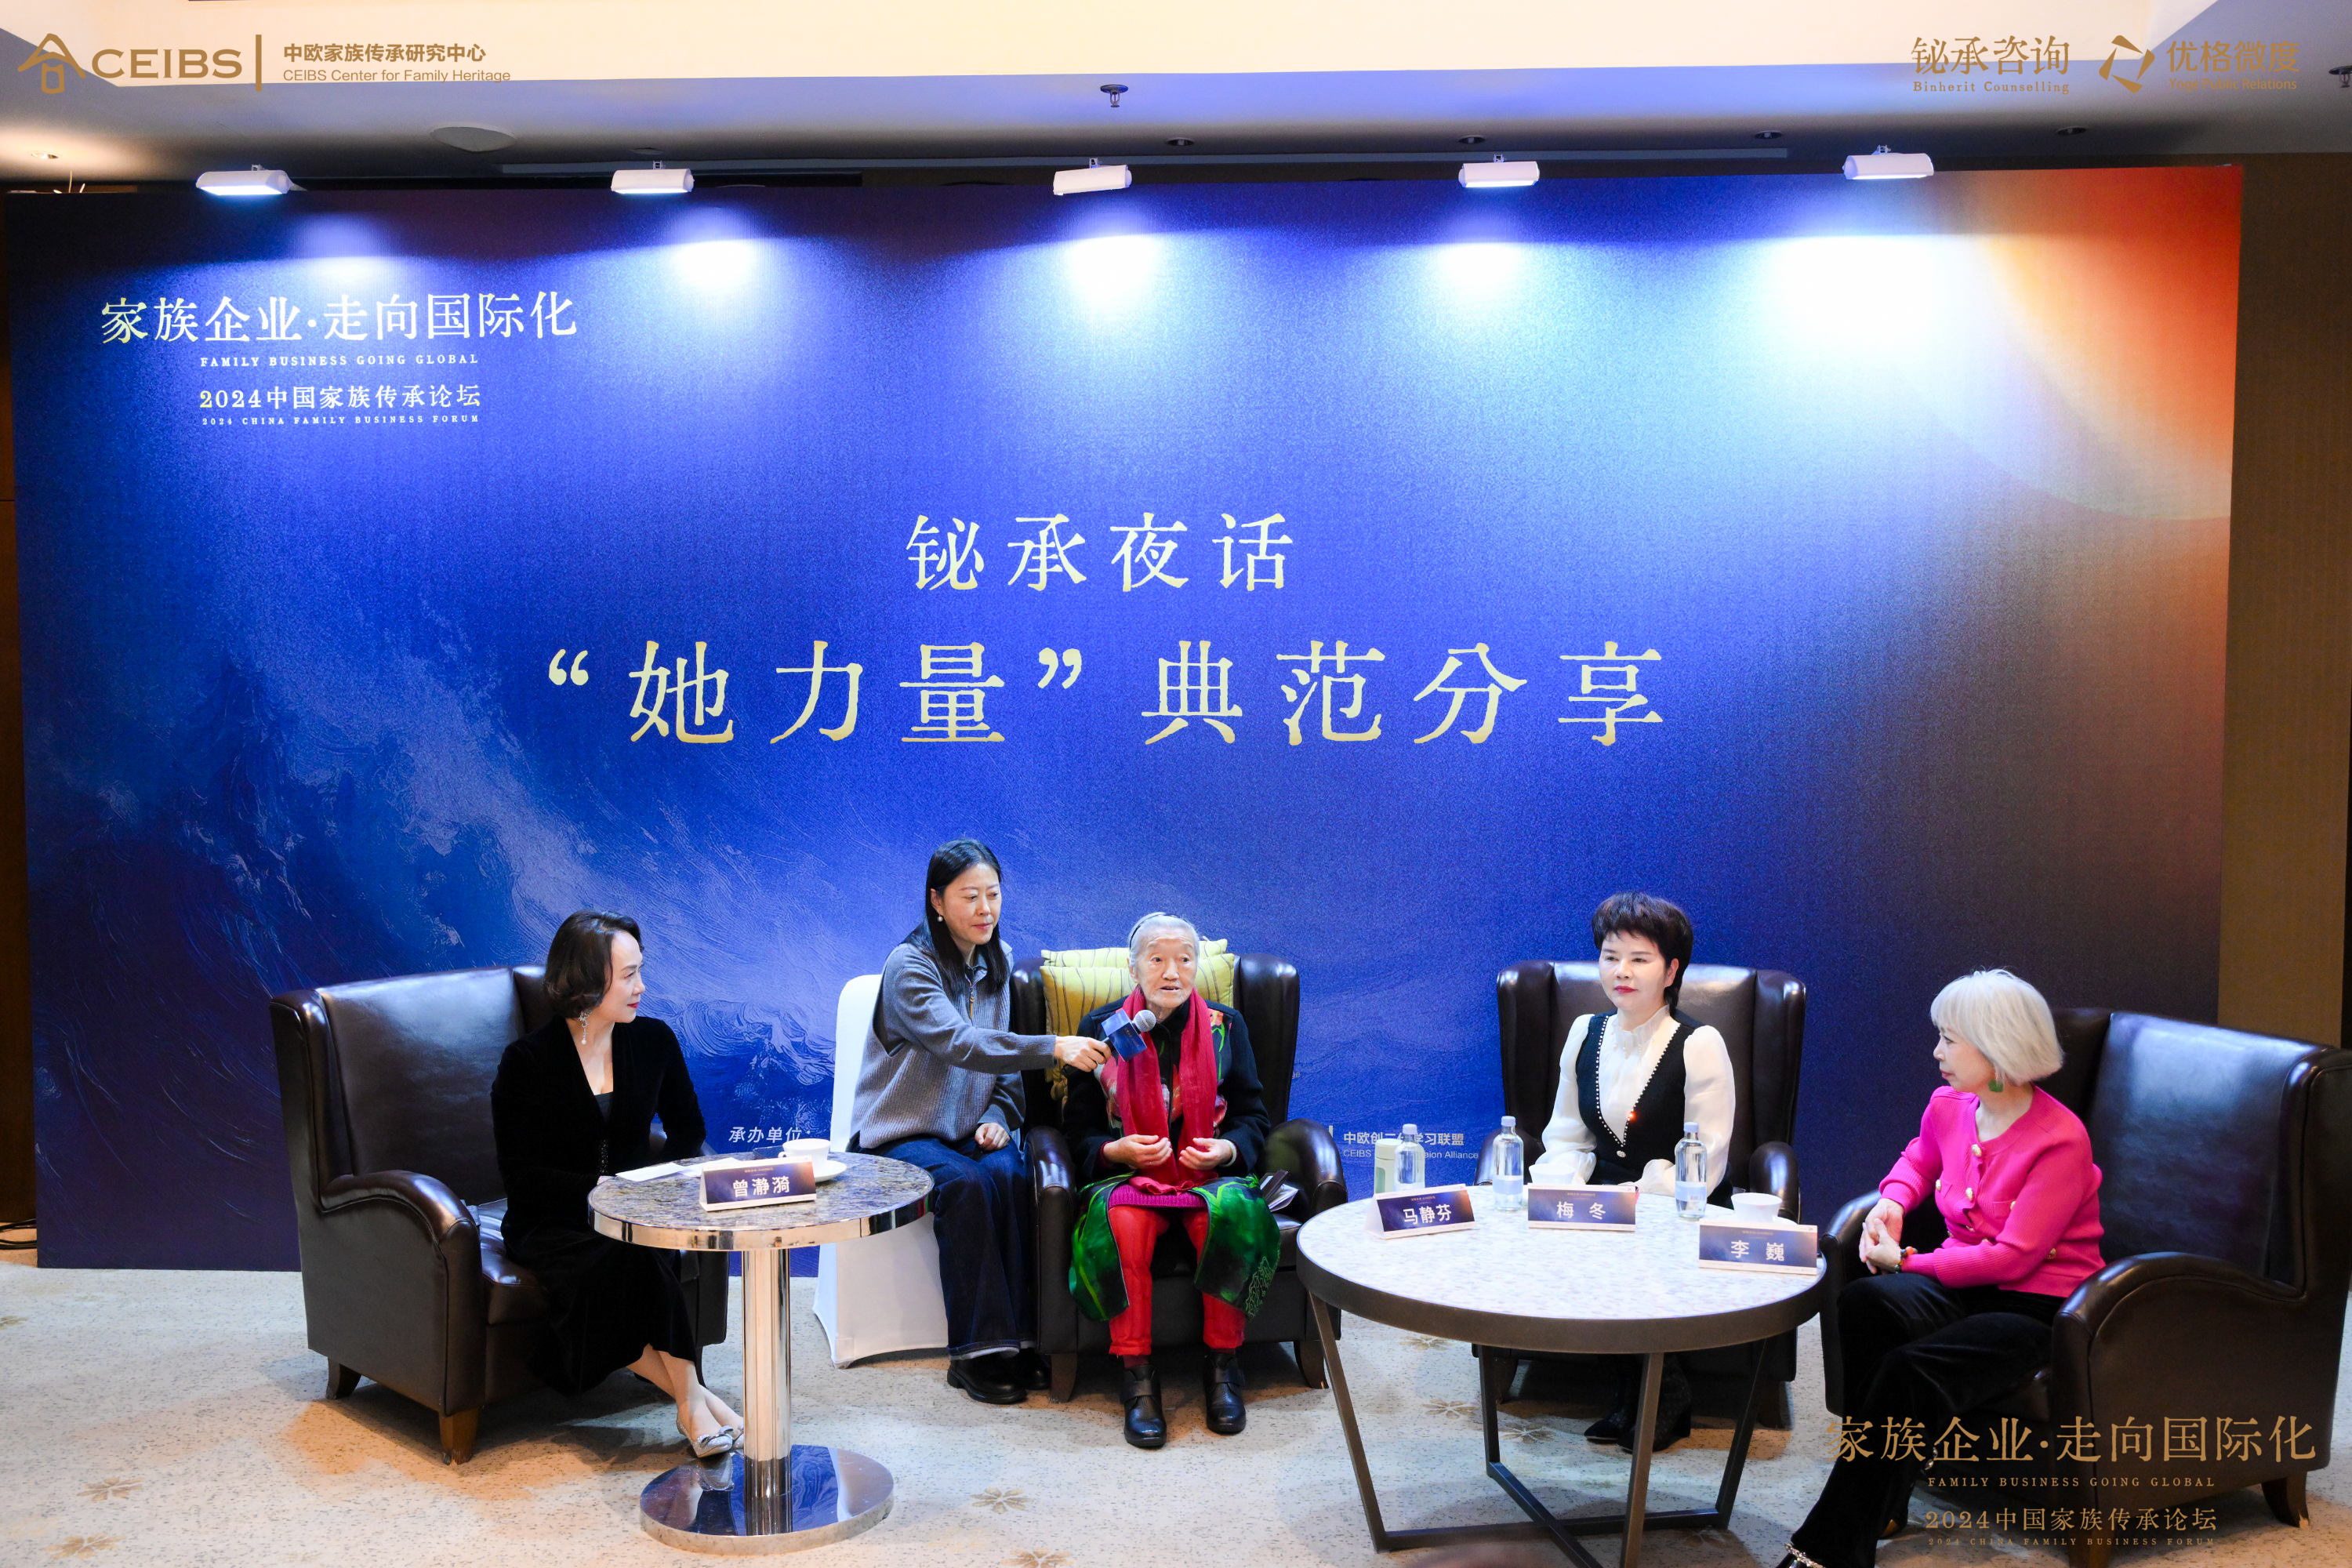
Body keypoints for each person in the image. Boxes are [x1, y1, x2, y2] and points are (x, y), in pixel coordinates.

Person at [1777, 969, 2104, 1568]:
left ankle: (1829, 1549)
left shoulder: (2061, 1139)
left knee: (1911, 1371)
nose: (1936, 1052)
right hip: (1965, 1282)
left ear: (1997, 1047)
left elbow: (2014, 1257)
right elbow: (1918, 1160)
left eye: (1950, 1039)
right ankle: (1884, 1497)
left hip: (2036, 1305)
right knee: (1864, 1304)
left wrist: (1907, 1260)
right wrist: (1893, 1202)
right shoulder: (1951, 1105)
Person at [851, 839, 1110, 1405]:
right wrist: (1054, 1046)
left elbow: (1004, 1066)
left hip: (969, 1131)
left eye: (992, 894)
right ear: (937, 902)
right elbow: (963, 1043)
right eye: (969, 897)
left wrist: (997, 1114)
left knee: (1014, 1177)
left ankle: (1024, 1341)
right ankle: (975, 1355)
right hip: (901, 1134)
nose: (985, 909)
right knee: (967, 1186)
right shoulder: (910, 967)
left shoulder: (997, 960)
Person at [491, 910, 743, 1456]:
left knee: (637, 1249)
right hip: (552, 1223)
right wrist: (603, 1189)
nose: (642, 987)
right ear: (586, 981)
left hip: (635, 1216)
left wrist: (652, 1189)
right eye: (629, 975)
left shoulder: (653, 1041)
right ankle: (694, 1401)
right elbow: (522, 1175)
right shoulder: (527, 1062)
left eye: (639, 971)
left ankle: (692, 1406)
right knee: (622, 1260)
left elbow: (689, 1131)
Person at [1058, 913, 1279, 1448]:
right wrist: (1113, 1150)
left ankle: (1223, 1368)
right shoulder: (1103, 1027)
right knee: (1124, 1225)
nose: (1172, 972)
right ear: (1134, 967)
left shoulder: (1227, 1026)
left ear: (1197, 966)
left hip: (1208, 1176)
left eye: (1184, 959)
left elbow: (1252, 1114)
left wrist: (1228, 1149)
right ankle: (1137, 1378)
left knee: (1232, 1215)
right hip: (1130, 1176)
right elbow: (1077, 1126)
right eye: (1157, 959)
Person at [1530, 891, 1734, 1450]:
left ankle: (1666, 1394)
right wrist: (1561, 1193)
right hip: (1604, 1196)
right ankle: (1626, 1393)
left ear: (1670, 971)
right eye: (1610, 956)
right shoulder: (1584, 1032)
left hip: (1674, 1202)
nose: (1621, 971)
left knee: (1629, 1248)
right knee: (1569, 1235)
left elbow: (1706, 1158)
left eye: (1639, 959)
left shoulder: (1700, 1044)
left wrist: (1636, 1194)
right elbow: (1567, 1135)